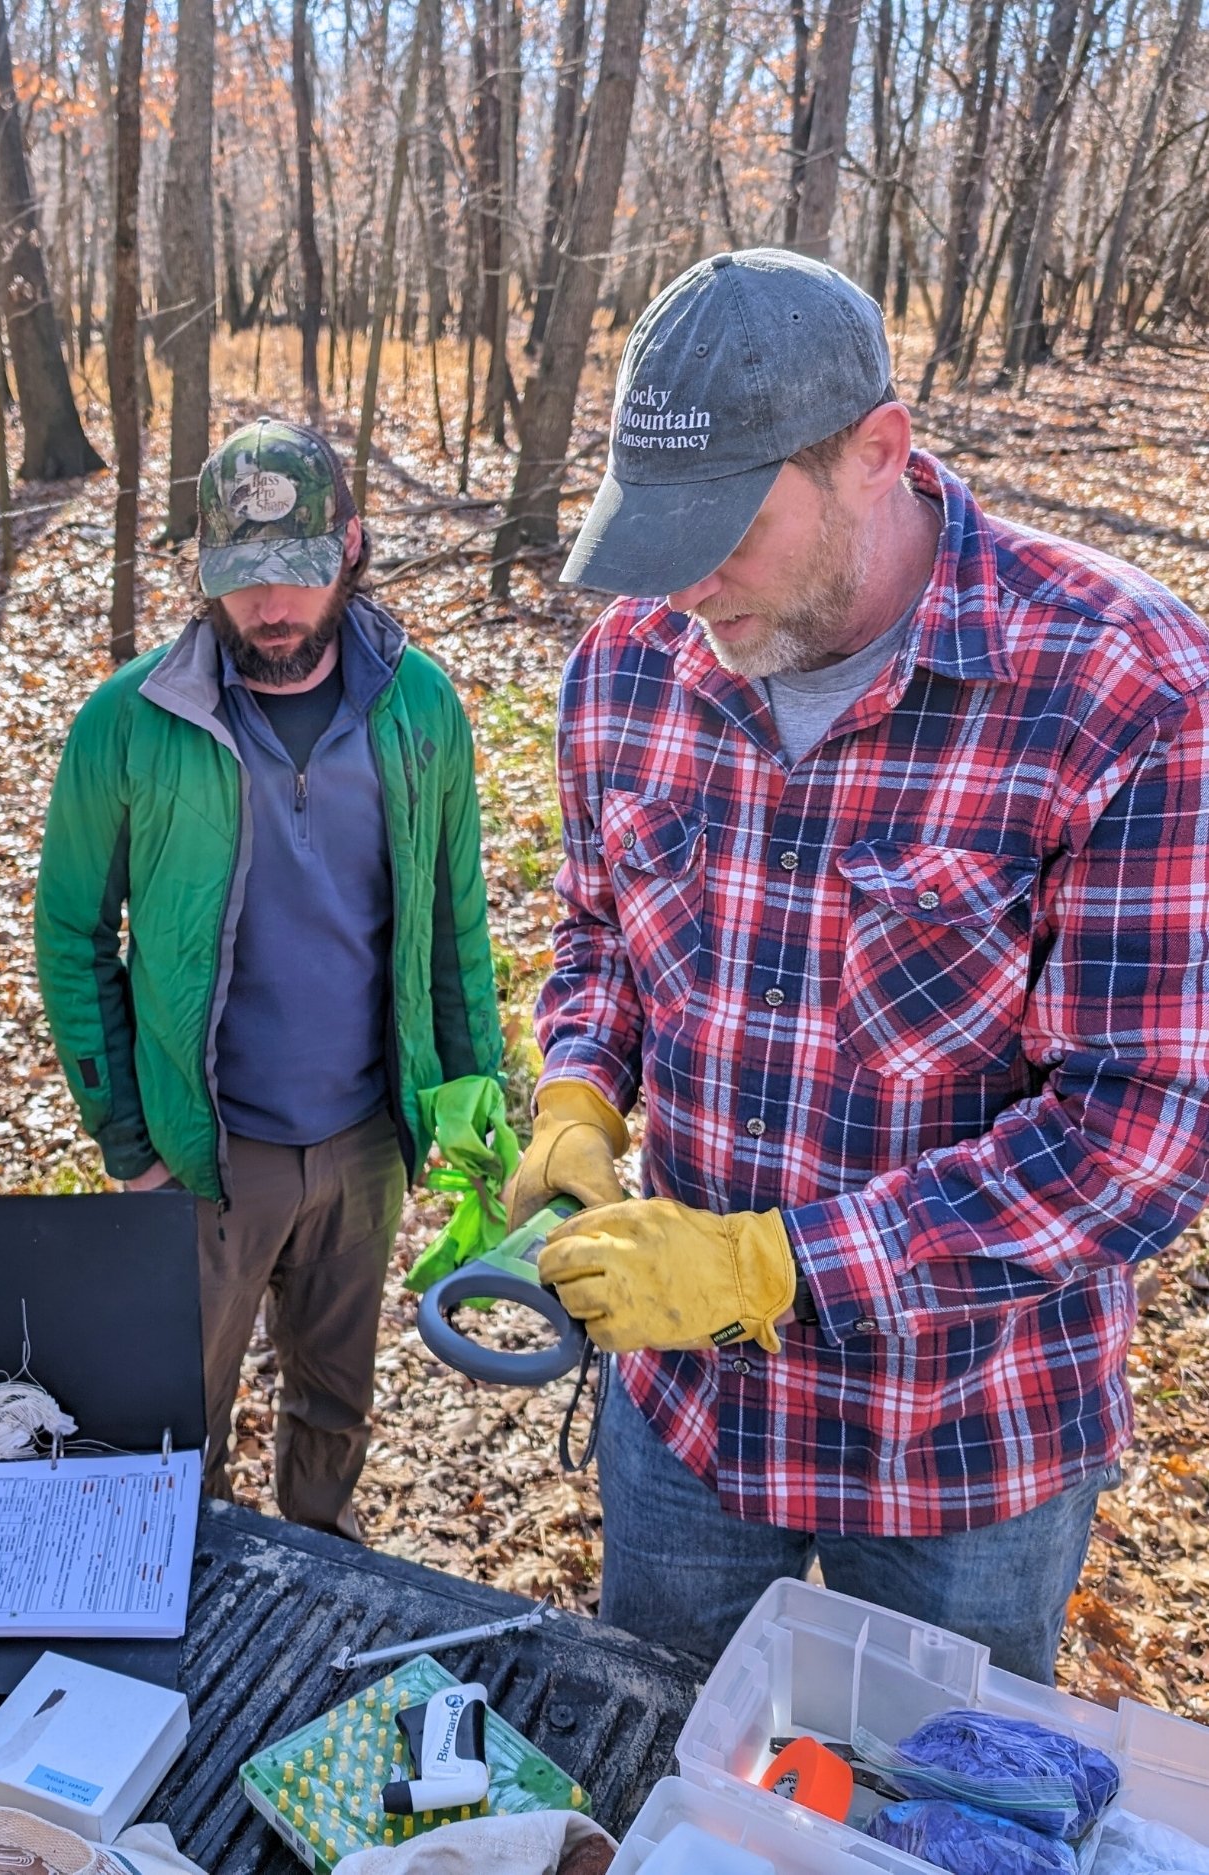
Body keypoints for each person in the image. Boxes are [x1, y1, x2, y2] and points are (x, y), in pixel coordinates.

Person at [507, 247, 1209, 1682]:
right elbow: (596, 932)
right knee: (662, 1768)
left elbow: (1136, 1138)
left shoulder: (1117, 685)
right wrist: (577, 1090)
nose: (687, 580)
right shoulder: (629, 663)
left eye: (726, 528)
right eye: (656, 529)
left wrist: (775, 1264)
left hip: (958, 1450)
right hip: (688, 1425)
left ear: (875, 452)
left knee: (922, 1812)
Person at [36, 419, 501, 1539]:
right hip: (205, 1154)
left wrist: (472, 1091)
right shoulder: (130, 723)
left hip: (366, 1141)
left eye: (295, 573)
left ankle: (320, 1565)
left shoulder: (420, 708)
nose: (272, 608)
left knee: (335, 1397)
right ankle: (177, 1591)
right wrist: (128, 1145)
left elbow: (454, 918)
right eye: (243, 582)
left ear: (348, 546)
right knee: (173, 1414)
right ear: (204, 575)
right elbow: (72, 936)